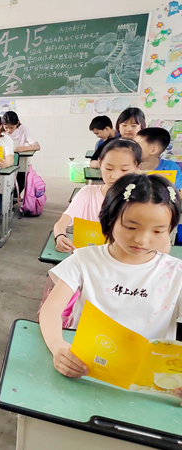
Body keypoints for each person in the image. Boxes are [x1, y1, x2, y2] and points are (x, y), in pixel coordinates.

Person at [40, 174, 182, 402]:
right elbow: (51, 308)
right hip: (84, 370)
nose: (142, 240)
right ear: (110, 220)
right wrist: (58, 346)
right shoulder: (84, 259)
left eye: (157, 231)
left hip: (147, 387)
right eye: (131, 227)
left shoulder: (176, 274)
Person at [53, 139, 141, 253]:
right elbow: (62, 223)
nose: (115, 176)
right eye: (109, 168)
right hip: (90, 255)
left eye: (124, 170)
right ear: (100, 164)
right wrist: (60, 236)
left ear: (137, 168)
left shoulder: (142, 200)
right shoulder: (88, 193)